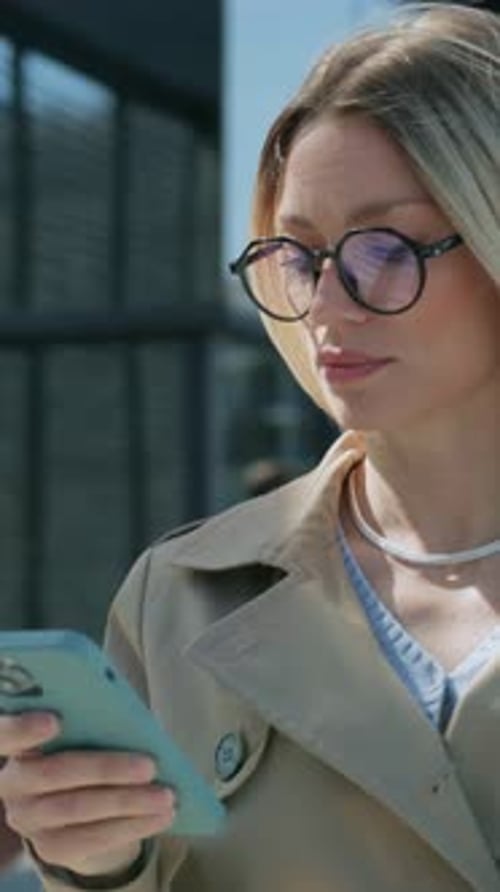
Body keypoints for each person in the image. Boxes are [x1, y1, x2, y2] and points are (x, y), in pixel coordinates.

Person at [0, 2, 499, 889]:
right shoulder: (181, 596)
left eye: (385, 247)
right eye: (300, 256)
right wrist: (92, 859)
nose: (325, 304)